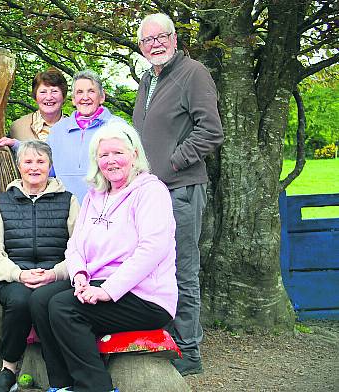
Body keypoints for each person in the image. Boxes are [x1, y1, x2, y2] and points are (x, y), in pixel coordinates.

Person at [32, 122, 178, 392]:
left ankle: (94, 387)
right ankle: (62, 385)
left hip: (145, 295)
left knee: (64, 308)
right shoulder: (95, 195)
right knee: (40, 300)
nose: (111, 161)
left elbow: (152, 249)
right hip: (97, 281)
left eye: (117, 153)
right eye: (103, 155)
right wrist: (78, 275)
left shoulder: (151, 191)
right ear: (96, 161)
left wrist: (108, 291)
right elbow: (75, 244)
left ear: (134, 154)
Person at [133, 13, 224, 375]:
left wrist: (173, 162)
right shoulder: (147, 78)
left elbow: (211, 131)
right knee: (156, 267)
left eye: (161, 37)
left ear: (175, 38)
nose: (155, 44)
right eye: (147, 40)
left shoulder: (193, 73)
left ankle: (189, 352)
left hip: (182, 189)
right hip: (152, 191)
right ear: (141, 46)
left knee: (183, 269)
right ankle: (165, 340)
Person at [0, 140, 79, 392]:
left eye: (40, 162)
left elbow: (80, 248)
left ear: (50, 166)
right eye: (28, 162)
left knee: (49, 302)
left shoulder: (69, 201)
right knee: (21, 301)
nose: (34, 167)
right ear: (19, 166)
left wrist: (55, 273)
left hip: (57, 276)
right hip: (15, 277)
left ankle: (62, 374)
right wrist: (19, 274)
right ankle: (8, 369)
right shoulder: (1, 202)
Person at [0, 70, 125, 203]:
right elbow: (47, 166)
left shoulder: (117, 127)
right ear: (73, 99)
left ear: (102, 97)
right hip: (66, 210)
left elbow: (131, 170)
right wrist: (16, 145)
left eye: (91, 91)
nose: (85, 97)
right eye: (79, 92)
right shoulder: (58, 130)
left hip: (107, 209)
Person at [0, 67, 68, 147]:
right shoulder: (18, 127)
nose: (49, 97)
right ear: (35, 96)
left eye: (54, 91)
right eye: (43, 92)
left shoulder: (76, 128)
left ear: (63, 95)